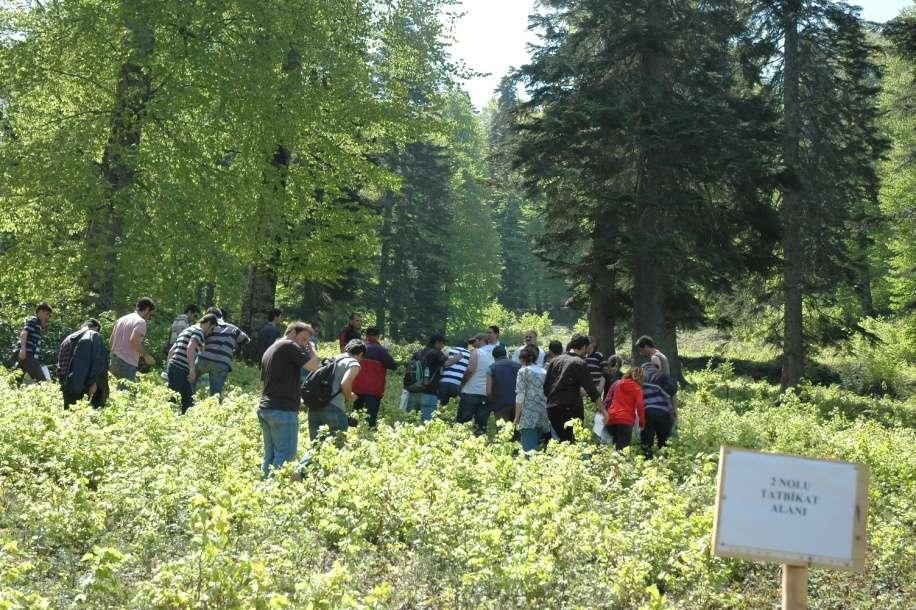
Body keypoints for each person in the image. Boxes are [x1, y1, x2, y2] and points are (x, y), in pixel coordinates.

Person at [258, 322, 320, 477]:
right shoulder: (289, 345)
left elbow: (262, 382)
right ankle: (276, 495)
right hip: (283, 410)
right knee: (285, 458)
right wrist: (313, 349)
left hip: (266, 408)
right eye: (303, 339)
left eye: (307, 341)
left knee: (270, 457)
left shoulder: (271, 349)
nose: (304, 344)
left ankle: (264, 491)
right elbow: (314, 366)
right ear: (292, 332)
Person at [543, 334, 600, 442]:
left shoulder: (554, 361)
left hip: (552, 408)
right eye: (587, 349)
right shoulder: (579, 362)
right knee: (572, 442)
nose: (587, 352)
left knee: (564, 441)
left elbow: (546, 388)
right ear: (583, 347)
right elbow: (592, 391)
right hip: (570, 408)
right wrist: (603, 411)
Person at [308, 339, 365, 440]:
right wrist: (350, 396)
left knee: (315, 448)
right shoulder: (353, 363)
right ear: (360, 354)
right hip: (334, 407)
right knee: (337, 446)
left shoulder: (331, 359)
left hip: (314, 406)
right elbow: (345, 384)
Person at [166, 313, 218, 414]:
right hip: (180, 368)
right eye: (212, 329)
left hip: (174, 366)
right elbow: (190, 348)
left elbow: (172, 350)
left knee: (188, 401)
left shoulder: (188, 330)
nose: (210, 332)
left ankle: (181, 423)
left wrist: (168, 366)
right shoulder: (199, 332)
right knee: (173, 400)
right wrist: (192, 369)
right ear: (208, 323)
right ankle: (164, 420)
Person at [195, 307, 250, 400]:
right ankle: (214, 410)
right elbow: (246, 340)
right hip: (222, 362)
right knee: (216, 393)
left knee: (190, 380)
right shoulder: (233, 328)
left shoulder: (207, 325)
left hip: (204, 358)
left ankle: (188, 401)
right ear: (221, 316)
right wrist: (234, 347)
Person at [352, 327, 397, 427]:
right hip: (374, 390)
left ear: (366, 336)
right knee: (371, 418)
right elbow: (393, 366)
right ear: (378, 337)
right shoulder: (381, 351)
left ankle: (352, 434)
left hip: (357, 388)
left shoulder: (357, 349)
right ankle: (369, 436)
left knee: (355, 415)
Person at [59, 318, 108, 408]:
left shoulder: (67, 339)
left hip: (67, 388)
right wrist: (93, 382)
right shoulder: (93, 335)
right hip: (84, 389)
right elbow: (98, 362)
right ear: (96, 328)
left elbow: (60, 366)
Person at [514, 346, 554, 452]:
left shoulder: (523, 371)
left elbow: (520, 395)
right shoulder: (544, 371)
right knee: (540, 447)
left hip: (529, 414)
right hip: (543, 413)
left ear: (523, 359)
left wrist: (517, 417)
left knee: (529, 450)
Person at [405, 333, 452, 423]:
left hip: (413, 390)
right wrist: (458, 357)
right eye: (442, 343)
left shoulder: (417, 353)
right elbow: (447, 364)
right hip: (429, 392)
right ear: (437, 342)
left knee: (409, 422)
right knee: (426, 424)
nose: (443, 346)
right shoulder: (436, 353)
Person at [109, 297, 156, 382]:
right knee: (124, 394)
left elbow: (111, 340)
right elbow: (134, 341)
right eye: (150, 315)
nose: (149, 317)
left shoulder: (122, 319)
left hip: (113, 360)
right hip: (127, 364)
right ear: (147, 310)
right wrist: (146, 356)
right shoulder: (141, 322)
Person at [640, 363, 678, 457]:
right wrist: (673, 412)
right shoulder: (662, 377)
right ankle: (664, 462)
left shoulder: (641, 378)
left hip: (647, 412)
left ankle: (647, 460)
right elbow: (671, 395)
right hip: (663, 412)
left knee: (647, 441)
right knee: (664, 441)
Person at [603, 367, 646, 450]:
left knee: (615, 447)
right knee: (623, 450)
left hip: (611, 418)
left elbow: (608, 398)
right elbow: (640, 406)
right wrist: (642, 423)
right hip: (625, 420)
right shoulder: (637, 388)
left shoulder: (618, 383)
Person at [458, 333, 493, 434]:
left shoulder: (476, 352)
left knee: (463, 424)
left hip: (471, 391)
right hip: (485, 393)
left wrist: (462, 384)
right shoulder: (493, 355)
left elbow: (470, 370)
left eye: (475, 341)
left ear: (480, 340)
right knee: (481, 427)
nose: (473, 344)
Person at [12, 302, 52, 382]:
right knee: (42, 381)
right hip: (28, 356)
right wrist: (22, 350)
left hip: (28, 357)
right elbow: (24, 333)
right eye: (47, 314)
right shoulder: (33, 320)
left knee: (15, 381)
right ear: (41, 311)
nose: (48, 317)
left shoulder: (38, 324)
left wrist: (43, 322)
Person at [487, 345, 521, 423]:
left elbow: (488, 392)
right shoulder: (518, 366)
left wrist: (492, 402)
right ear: (506, 354)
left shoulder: (491, 368)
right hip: (517, 404)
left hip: (500, 405)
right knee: (518, 432)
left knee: (504, 432)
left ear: (494, 356)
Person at [438, 337, 473, 407]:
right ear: (466, 346)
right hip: (458, 383)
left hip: (444, 381)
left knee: (440, 405)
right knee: (453, 407)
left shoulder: (449, 351)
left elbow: (440, 363)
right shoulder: (470, 354)